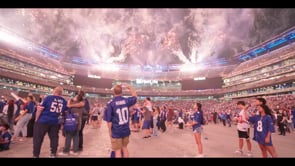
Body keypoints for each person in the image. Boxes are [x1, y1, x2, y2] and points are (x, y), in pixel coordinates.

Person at [33, 86, 68, 158]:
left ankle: (36, 154)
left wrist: (36, 119)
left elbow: (40, 109)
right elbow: (65, 111)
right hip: (55, 122)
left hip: (43, 121)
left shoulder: (49, 98)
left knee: (38, 138)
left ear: (55, 91)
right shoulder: (64, 101)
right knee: (54, 138)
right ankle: (53, 153)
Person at [104, 83, 137, 158]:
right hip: (125, 130)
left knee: (117, 151)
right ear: (121, 92)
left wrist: (110, 131)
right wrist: (129, 87)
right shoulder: (126, 100)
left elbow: (109, 121)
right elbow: (135, 97)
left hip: (116, 131)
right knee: (125, 148)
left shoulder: (110, 103)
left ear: (113, 92)